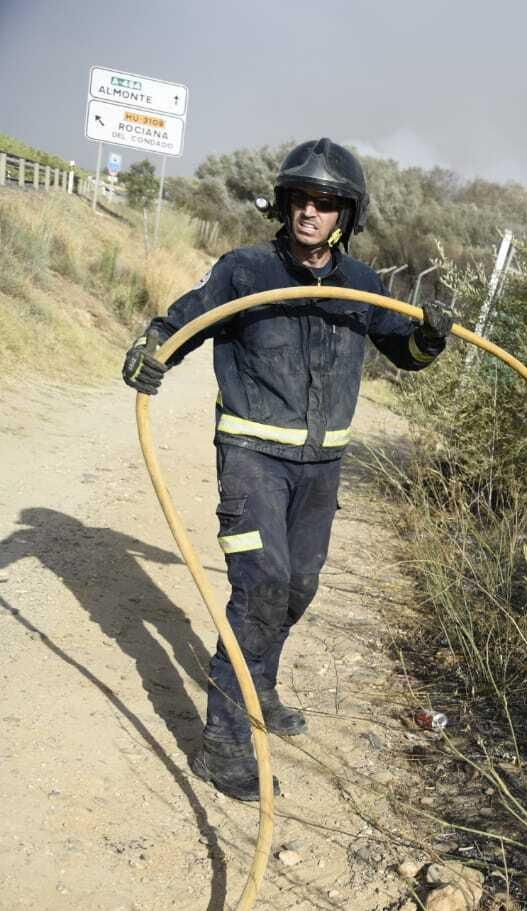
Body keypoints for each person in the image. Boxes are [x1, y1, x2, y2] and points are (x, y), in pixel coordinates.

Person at [121, 138, 455, 801]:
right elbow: (182, 323)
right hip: (253, 458)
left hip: (322, 467)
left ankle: (261, 687)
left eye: (325, 202)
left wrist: (430, 337)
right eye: (300, 198)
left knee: (298, 586)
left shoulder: (364, 285)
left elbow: (405, 353)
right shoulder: (244, 271)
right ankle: (223, 743)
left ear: (345, 215)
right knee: (262, 589)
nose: (310, 211)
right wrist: (150, 347)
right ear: (284, 203)